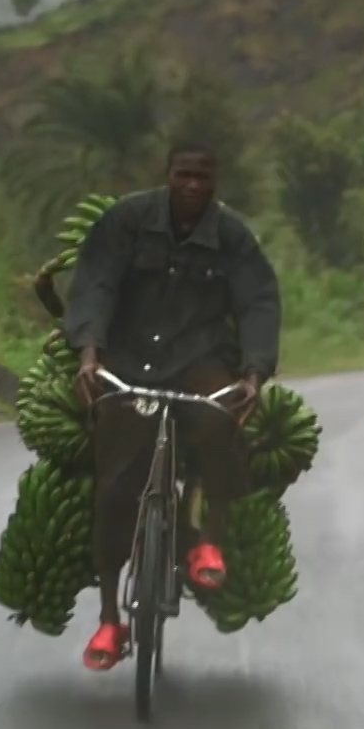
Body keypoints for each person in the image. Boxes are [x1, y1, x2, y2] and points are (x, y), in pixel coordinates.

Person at [63, 141, 282, 671]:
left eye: (202, 176)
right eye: (183, 174)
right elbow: (95, 284)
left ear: (215, 182)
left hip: (197, 360)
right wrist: (89, 355)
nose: (192, 185)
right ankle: (111, 618)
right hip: (130, 362)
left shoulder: (231, 236)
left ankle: (209, 542)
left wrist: (253, 373)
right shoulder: (128, 221)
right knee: (116, 486)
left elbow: (258, 301)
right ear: (168, 176)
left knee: (220, 425)